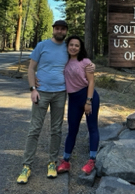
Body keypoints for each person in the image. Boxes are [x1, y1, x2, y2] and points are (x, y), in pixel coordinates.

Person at [17, 20, 94, 184]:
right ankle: (26, 165)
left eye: (63, 29)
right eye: (57, 28)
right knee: (35, 129)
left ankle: (52, 162)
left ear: (66, 31)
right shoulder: (42, 46)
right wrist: (32, 88)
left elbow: (80, 60)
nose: (60, 31)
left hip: (60, 93)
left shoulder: (68, 48)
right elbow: (31, 68)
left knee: (56, 129)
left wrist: (91, 66)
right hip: (42, 92)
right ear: (53, 30)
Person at [56, 35, 100, 175]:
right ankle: (66, 160)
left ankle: (92, 160)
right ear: (67, 46)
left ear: (80, 48)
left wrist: (88, 101)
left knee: (92, 127)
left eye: (77, 45)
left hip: (88, 96)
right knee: (72, 130)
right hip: (73, 99)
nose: (73, 47)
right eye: (71, 45)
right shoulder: (64, 61)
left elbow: (91, 82)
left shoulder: (85, 61)